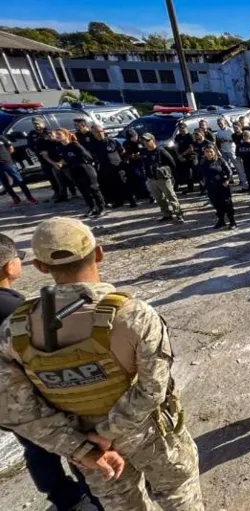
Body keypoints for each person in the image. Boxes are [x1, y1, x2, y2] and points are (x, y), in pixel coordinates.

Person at [0, 217, 203, 510]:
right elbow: (152, 389)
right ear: (98, 253)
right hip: (150, 436)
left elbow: (13, 410)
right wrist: (107, 432)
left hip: (89, 449)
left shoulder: (13, 331)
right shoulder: (134, 316)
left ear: (41, 267)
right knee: (179, 496)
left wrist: (80, 446)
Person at [0, 234, 103, 511]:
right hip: (30, 396)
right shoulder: (14, 309)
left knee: (36, 449)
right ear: (9, 267)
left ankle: (64, 499)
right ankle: (94, 499)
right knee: (74, 447)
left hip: (8, 404)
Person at [58, 130, 107, 218]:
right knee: (83, 191)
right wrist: (61, 163)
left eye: (59, 134)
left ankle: (102, 208)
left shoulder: (74, 144)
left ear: (66, 135)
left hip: (85, 169)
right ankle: (92, 208)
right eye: (56, 135)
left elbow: (87, 156)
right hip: (74, 170)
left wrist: (82, 162)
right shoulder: (62, 147)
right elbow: (64, 158)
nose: (57, 136)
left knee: (94, 189)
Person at [139, 133, 184, 223]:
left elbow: (172, 163)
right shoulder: (144, 152)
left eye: (148, 140)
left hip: (163, 179)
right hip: (151, 179)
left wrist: (170, 174)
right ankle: (167, 214)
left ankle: (179, 215)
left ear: (153, 140)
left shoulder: (160, 151)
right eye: (144, 141)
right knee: (159, 199)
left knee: (171, 197)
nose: (146, 143)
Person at [90, 124, 133, 209]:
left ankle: (131, 200)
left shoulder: (112, 141)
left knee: (123, 183)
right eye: (96, 132)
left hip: (117, 166)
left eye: (100, 131)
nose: (99, 133)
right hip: (104, 167)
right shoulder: (93, 144)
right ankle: (117, 201)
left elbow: (122, 152)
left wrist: (124, 163)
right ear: (93, 133)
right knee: (111, 185)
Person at [199, 143, 237, 230]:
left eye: (211, 152)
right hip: (211, 187)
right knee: (216, 204)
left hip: (222, 186)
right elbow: (201, 174)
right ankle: (221, 221)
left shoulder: (220, 160)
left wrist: (227, 180)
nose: (209, 153)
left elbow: (229, 171)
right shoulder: (203, 162)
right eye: (207, 152)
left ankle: (232, 222)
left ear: (214, 152)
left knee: (227, 204)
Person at [0, 135, 37, 206]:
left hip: (7, 162)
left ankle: (29, 197)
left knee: (19, 180)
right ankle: (15, 198)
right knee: (4, 183)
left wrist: (6, 157)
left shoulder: (1, 137)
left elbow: (11, 148)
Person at [216, 117, 247, 193]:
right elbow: (218, 140)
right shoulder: (218, 131)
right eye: (219, 123)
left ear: (225, 123)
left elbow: (235, 138)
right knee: (226, 166)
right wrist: (220, 141)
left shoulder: (230, 129)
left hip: (231, 150)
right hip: (223, 150)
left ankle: (243, 182)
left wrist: (227, 140)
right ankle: (230, 180)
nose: (220, 125)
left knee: (238, 166)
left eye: (221, 123)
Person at [122, 129, 151, 201]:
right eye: (132, 137)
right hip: (134, 163)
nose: (134, 138)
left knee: (145, 177)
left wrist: (139, 154)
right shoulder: (126, 143)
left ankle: (149, 193)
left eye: (135, 136)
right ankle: (141, 193)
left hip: (143, 161)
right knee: (138, 177)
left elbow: (147, 149)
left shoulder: (141, 141)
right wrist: (130, 156)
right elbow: (125, 153)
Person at [174, 122, 196, 194]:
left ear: (186, 128)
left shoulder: (190, 136)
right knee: (178, 172)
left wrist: (182, 155)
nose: (181, 130)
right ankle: (177, 187)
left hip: (189, 157)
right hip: (180, 156)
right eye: (179, 129)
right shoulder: (178, 136)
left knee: (189, 173)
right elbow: (176, 146)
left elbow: (191, 148)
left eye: (182, 128)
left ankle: (191, 188)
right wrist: (178, 155)